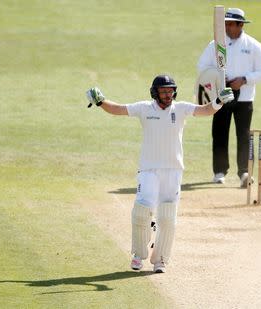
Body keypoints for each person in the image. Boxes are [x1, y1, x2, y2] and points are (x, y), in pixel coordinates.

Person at [86, 75, 234, 273]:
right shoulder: (145, 108)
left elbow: (205, 110)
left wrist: (218, 101)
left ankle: (160, 259)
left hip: (173, 170)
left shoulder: (180, 108)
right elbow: (118, 109)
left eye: (170, 90)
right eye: (163, 91)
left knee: (167, 217)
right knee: (141, 211)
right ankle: (138, 255)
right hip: (149, 169)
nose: (167, 94)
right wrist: (100, 101)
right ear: (155, 92)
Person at [197, 8, 261, 187]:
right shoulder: (215, 44)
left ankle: (244, 172)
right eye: (225, 24)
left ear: (240, 25)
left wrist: (244, 80)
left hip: (245, 97)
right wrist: (219, 79)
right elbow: (202, 67)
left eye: (230, 24)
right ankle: (219, 172)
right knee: (219, 133)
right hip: (221, 96)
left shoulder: (253, 45)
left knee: (243, 135)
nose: (227, 27)